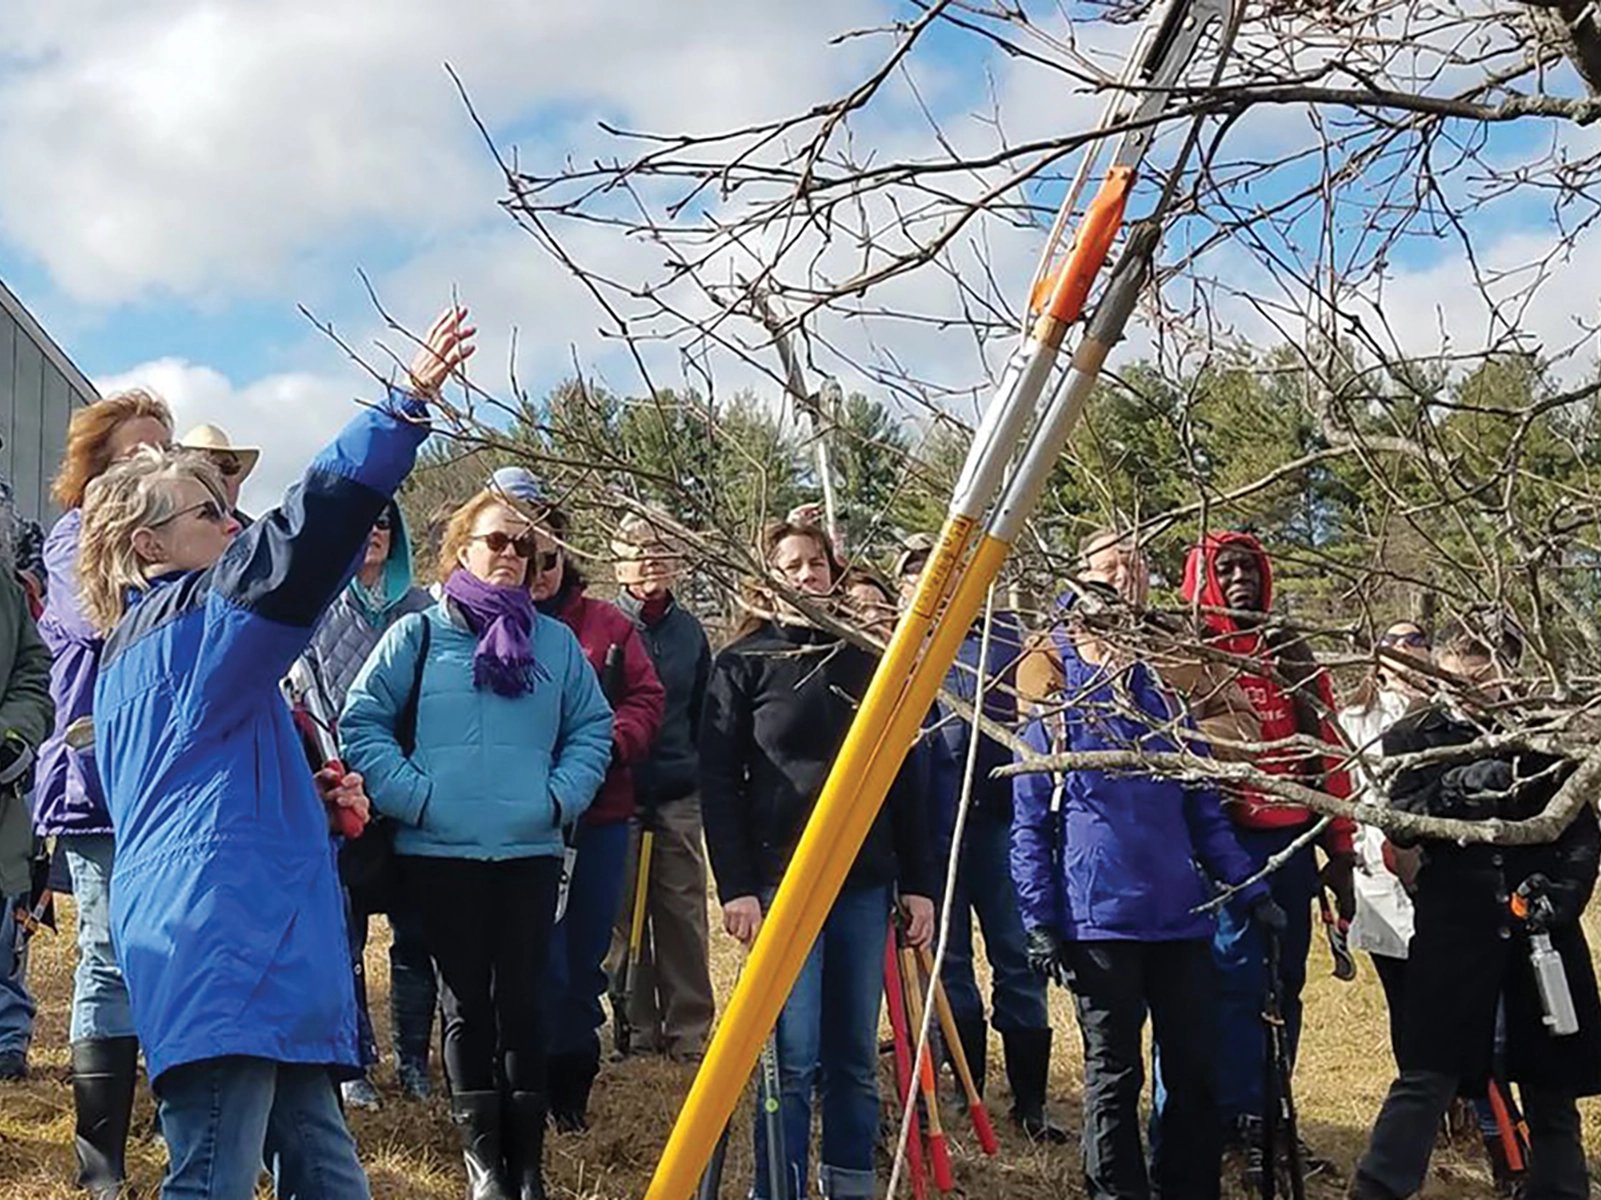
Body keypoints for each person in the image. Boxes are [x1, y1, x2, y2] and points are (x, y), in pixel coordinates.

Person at [79, 305, 475, 1200]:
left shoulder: (161, 649)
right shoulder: (184, 627)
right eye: (210, 511)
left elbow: (208, 782)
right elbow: (300, 545)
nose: (233, 523)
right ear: (147, 546)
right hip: (225, 944)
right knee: (212, 1177)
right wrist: (400, 410)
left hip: (254, 945)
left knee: (330, 1176)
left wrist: (307, 792)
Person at [341, 482, 615, 1200]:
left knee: (525, 1003)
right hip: (440, 855)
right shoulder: (419, 634)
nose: (511, 554)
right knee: (467, 1006)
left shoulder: (554, 643)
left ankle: (528, 1169)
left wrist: (559, 798)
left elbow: (593, 727)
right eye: (497, 539)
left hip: (530, 852)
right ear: (461, 546)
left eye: (525, 546)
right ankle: (485, 1165)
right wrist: (416, 797)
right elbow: (361, 722)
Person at [1012, 548, 1282, 1200]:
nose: (1112, 641)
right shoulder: (1056, 710)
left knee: (1192, 1066)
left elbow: (1203, 814)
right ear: (1075, 631)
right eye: (1097, 628)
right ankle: (1115, 1191)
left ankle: (1185, 1188)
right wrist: (1039, 919)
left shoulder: (1164, 705)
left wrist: (1251, 888)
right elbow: (1028, 825)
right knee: (1114, 1072)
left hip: (1179, 918)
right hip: (1098, 917)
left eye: (1122, 631)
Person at [700, 520, 937, 1200]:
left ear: (834, 573)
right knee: (791, 1055)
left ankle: (850, 1182)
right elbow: (718, 784)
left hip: (862, 882)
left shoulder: (868, 660)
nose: (806, 576)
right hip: (780, 884)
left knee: (853, 1055)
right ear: (768, 579)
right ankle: (779, 1186)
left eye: (816, 565)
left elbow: (902, 780)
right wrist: (736, 887)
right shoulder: (742, 664)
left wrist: (918, 884)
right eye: (792, 566)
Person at [1348, 619, 1601, 1200]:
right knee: (1428, 1073)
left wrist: (1564, 894)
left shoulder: (1542, 731)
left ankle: (1560, 1189)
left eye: (1485, 679)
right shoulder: (1415, 735)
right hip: (1455, 923)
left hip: (1537, 929)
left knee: (1550, 1081)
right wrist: (1460, 785)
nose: (1473, 692)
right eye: (1460, 681)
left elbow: (1580, 830)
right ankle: (1380, 1188)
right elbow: (1402, 820)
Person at [1175, 530, 1357, 1183]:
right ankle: (1236, 1124)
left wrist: (1339, 848)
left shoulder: (1289, 651)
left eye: (1248, 566)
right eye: (1224, 569)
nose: (1240, 578)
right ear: (1201, 579)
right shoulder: (1187, 654)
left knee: (1285, 984)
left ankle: (1273, 1117)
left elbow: (1329, 748)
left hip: (1294, 839)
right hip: (1226, 842)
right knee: (1235, 982)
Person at [36, 386, 173, 1197]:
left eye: (163, 450)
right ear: (96, 464)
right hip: (100, 778)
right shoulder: (70, 538)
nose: (150, 464)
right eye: (133, 452)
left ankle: (180, 1113)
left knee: (176, 950)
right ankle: (101, 1162)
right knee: (109, 957)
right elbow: (99, 618)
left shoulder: (191, 537)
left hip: (175, 778)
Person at [895, 533, 1061, 1142]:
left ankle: (1031, 1101)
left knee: (1016, 957)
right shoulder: (898, 648)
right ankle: (969, 1092)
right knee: (948, 961)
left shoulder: (1004, 639)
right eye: (915, 578)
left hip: (999, 821)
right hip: (931, 832)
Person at [517, 496, 664, 1130]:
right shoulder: (490, 627)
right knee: (530, 955)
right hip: (520, 821)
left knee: (581, 956)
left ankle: (573, 1083)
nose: (540, 568)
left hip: (600, 816)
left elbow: (646, 697)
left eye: (550, 554)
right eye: (526, 554)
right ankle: (522, 1081)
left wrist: (610, 739)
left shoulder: (608, 625)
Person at [290, 498, 436, 1106]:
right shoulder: (316, 604)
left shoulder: (423, 608)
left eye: (384, 524)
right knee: (341, 935)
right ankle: (352, 1062)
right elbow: (304, 689)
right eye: (364, 521)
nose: (373, 533)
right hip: (340, 786)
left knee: (417, 933)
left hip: (408, 787)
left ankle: (413, 1062)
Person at [606, 513, 715, 1063]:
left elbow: (702, 714)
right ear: (617, 557)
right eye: (640, 547)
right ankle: (636, 1029)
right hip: (618, 790)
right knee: (623, 917)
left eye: (663, 547)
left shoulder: (690, 631)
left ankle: (690, 1031)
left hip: (675, 792)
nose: (652, 558)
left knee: (681, 913)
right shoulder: (606, 624)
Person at [1337, 622, 1432, 1063]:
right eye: (1398, 642)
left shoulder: (1447, 713)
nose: (1410, 650)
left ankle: (1467, 1103)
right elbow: (1344, 796)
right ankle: (1421, 1088)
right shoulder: (1355, 721)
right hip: (1379, 872)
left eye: (1418, 641)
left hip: (1443, 870)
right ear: (1379, 657)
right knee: (1405, 996)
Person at [0, 557, 53, 1081]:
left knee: (4, 928)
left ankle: (5, 1041)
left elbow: (32, 669)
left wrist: (14, 734)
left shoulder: (5, 588)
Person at [176, 423, 259, 525]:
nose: (219, 475)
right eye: (206, 467)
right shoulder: (162, 531)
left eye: (229, 466)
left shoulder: (261, 537)